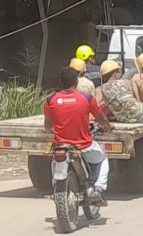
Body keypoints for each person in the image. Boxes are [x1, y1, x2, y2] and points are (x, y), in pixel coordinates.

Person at [44, 67, 114, 206]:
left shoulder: (50, 99)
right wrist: (108, 126)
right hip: (84, 146)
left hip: (60, 146)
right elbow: (100, 117)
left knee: (54, 161)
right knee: (102, 158)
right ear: (77, 81)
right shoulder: (87, 98)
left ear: (60, 82)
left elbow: (47, 126)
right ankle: (98, 188)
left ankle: (56, 188)